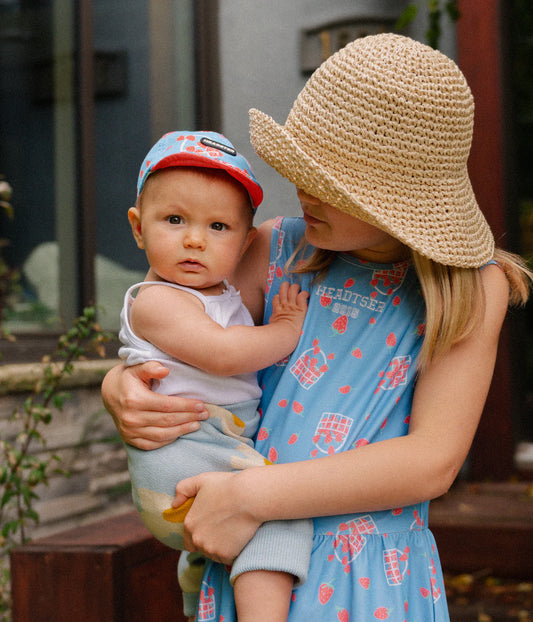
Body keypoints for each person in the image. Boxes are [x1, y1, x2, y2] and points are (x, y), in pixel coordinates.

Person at [103, 34, 533, 621]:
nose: (305, 189)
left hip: (370, 577)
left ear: (396, 197)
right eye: (302, 166)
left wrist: (250, 495)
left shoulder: (467, 288)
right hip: (256, 564)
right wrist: (120, 385)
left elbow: (432, 460)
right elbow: (174, 325)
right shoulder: (273, 249)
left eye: (332, 182)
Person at [118, 130, 312, 622]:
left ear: (246, 243)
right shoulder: (157, 300)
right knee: (278, 518)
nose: (194, 239)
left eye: (218, 227)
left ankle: (195, 588)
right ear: (139, 228)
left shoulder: (218, 292)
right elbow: (225, 355)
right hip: (182, 451)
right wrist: (286, 330)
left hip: (207, 446)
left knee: (216, 538)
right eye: (175, 219)